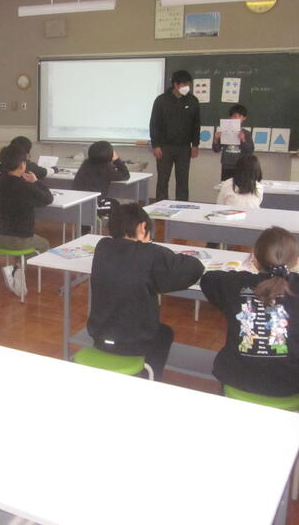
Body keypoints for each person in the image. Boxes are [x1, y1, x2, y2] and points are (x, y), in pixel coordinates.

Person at [201, 226, 299, 397]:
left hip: (236, 377)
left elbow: (208, 279)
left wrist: (237, 274)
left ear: (254, 259)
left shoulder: (235, 283)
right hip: (289, 383)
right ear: (297, 261)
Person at [87, 203, 204, 380]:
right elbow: (194, 268)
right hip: (132, 343)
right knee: (164, 333)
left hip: (99, 337)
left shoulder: (102, 246)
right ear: (142, 227)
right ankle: (149, 379)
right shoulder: (150, 254)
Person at [0, 144, 54, 296]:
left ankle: (16, 268)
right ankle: (18, 268)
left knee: (19, 243)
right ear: (22, 165)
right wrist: (36, 182)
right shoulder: (25, 187)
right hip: (21, 237)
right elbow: (48, 199)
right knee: (44, 244)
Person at [149, 70, 201, 201]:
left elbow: (196, 124)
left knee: (183, 180)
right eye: (184, 84)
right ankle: (160, 206)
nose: (187, 87)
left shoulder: (193, 101)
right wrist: (155, 145)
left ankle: (182, 206)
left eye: (188, 84)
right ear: (175, 84)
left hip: (184, 147)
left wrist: (195, 144)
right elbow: (154, 124)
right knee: (162, 180)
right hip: (164, 147)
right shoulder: (161, 100)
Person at [72, 140, 130, 233]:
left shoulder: (85, 165)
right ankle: (116, 232)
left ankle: (85, 231)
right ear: (109, 155)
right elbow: (125, 175)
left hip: (77, 204)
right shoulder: (106, 169)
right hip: (93, 206)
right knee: (115, 205)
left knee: (104, 203)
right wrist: (117, 160)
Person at [212, 104, 254, 181]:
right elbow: (216, 149)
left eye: (239, 116)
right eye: (233, 116)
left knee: (240, 186)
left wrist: (243, 140)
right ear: (229, 118)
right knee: (226, 185)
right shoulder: (223, 132)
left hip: (242, 165)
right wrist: (216, 139)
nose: (236, 118)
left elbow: (250, 151)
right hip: (227, 165)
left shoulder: (246, 133)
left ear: (244, 118)